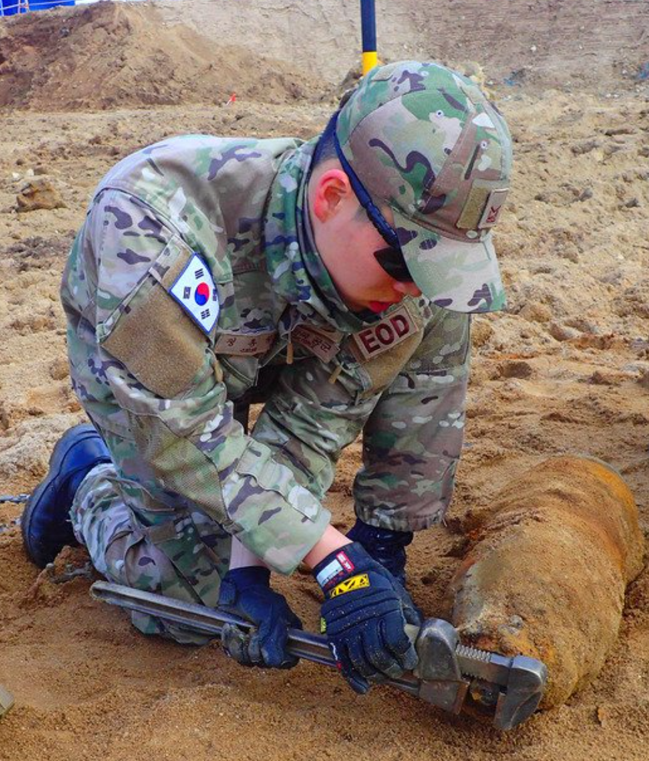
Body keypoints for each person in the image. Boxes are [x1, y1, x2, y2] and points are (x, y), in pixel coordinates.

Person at [22, 61, 512, 694]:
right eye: (404, 259)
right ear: (331, 197)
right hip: (153, 389)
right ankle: (86, 481)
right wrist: (331, 562)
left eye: (436, 266)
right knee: (187, 603)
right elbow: (185, 431)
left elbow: (311, 427)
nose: (411, 285)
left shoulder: (394, 275)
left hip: (282, 349)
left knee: (438, 318)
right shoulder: (151, 224)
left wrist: (373, 556)